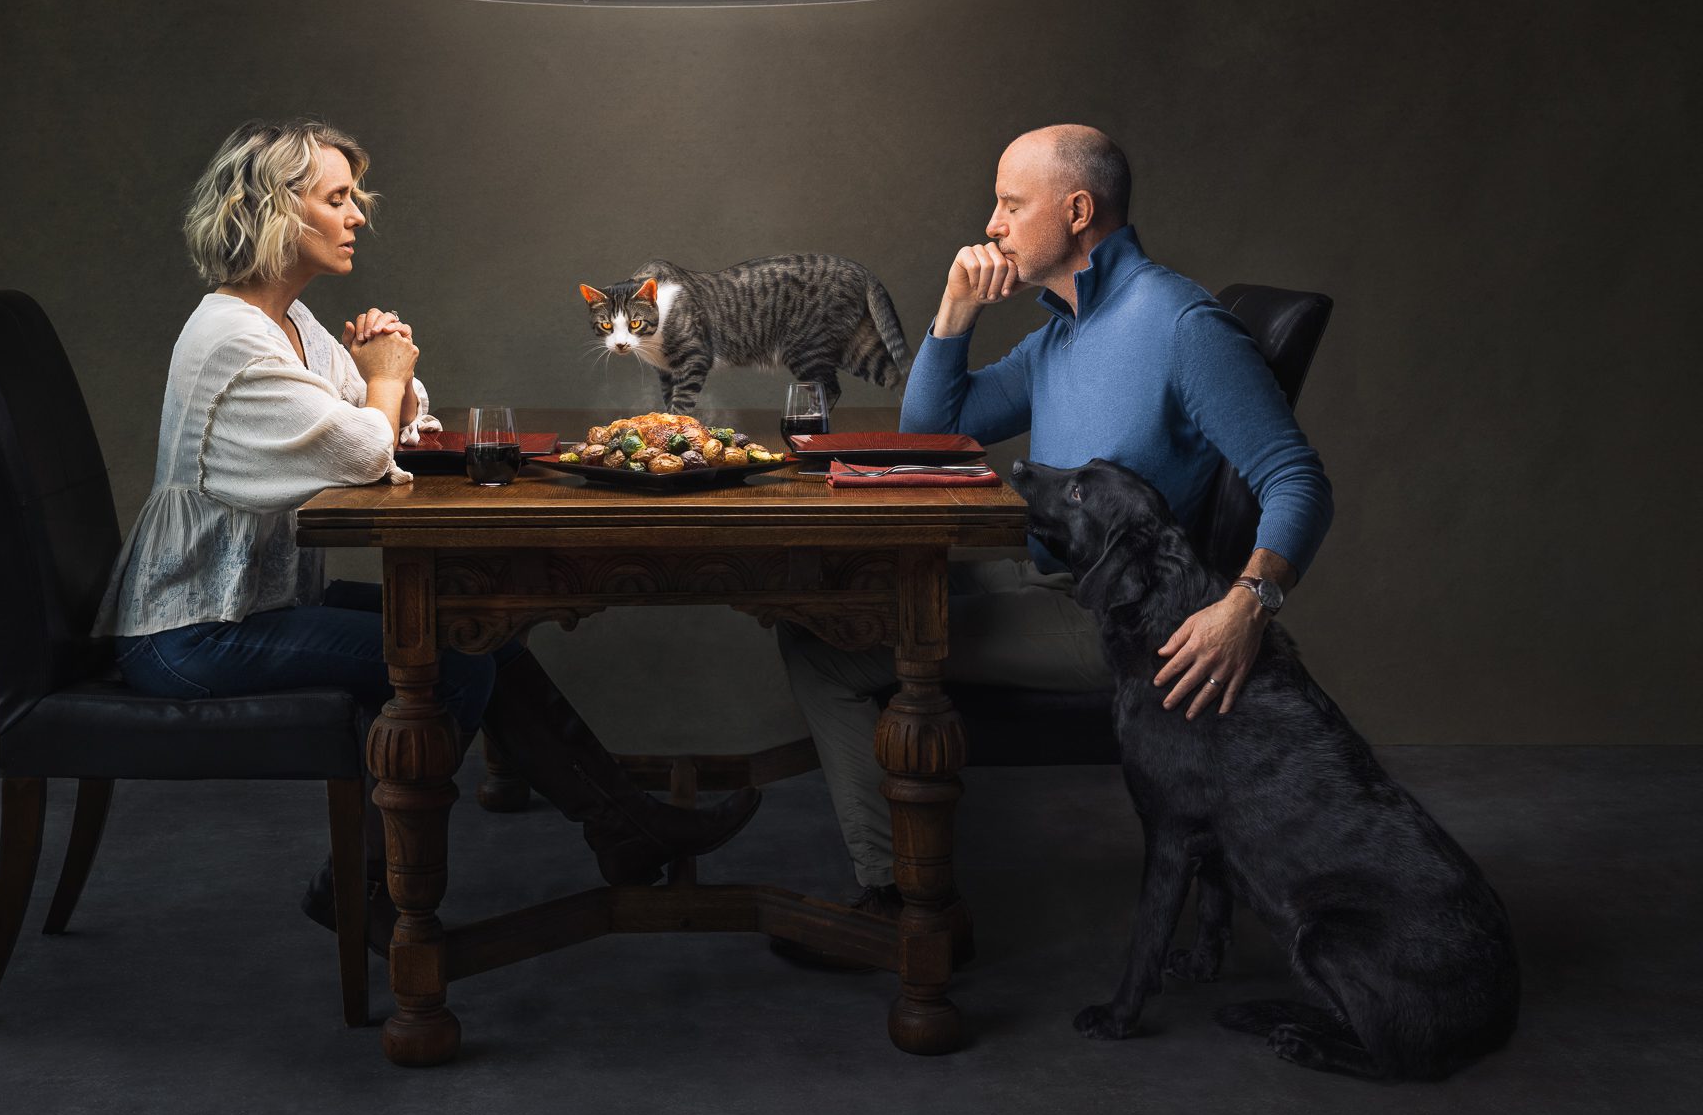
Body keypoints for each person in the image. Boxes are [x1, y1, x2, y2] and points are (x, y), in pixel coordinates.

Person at [95, 117, 758, 942]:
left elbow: (401, 427)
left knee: (477, 631)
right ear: (274, 211)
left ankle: (624, 827)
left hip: (247, 606)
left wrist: (390, 378)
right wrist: (386, 384)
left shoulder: (289, 327)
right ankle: (360, 888)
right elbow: (371, 451)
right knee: (446, 666)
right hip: (190, 631)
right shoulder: (232, 340)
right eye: (337, 199)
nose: (357, 215)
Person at [773, 124, 1333, 967]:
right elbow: (934, 434)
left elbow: (1298, 479)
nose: (991, 225)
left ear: (1077, 211)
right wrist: (954, 312)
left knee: (825, 647)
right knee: (837, 608)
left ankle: (898, 903)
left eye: (1009, 203)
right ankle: (899, 881)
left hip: (1123, 626)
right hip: (1048, 584)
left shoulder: (1180, 324)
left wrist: (1246, 606)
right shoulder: (1066, 330)